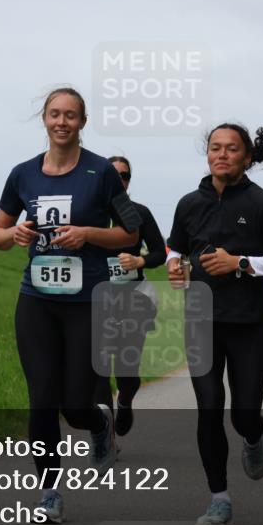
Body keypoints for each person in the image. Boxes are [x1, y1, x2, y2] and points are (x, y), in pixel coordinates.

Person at [0, 87, 141, 524]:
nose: (62, 122)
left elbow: (130, 234)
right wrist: (14, 234)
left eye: (70, 115)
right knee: (41, 402)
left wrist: (89, 234)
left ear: (82, 122)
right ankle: (50, 492)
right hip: (36, 302)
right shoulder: (23, 174)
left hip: (88, 303)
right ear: (44, 119)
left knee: (76, 404)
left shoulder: (101, 173)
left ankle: (97, 424)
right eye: (55, 114)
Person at [166, 120, 263, 525]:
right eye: (215, 147)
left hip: (248, 324)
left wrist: (240, 263)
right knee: (209, 410)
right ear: (207, 153)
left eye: (231, 148)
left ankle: (254, 435)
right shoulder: (190, 202)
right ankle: (219, 501)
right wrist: (175, 264)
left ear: (247, 157)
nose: (221, 154)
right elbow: (176, 245)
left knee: (243, 414)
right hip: (201, 320)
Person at [92, 156, 166, 438]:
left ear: (128, 181)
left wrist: (141, 261)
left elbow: (160, 252)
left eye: (124, 175)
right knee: (98, 365)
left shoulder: (139, 212)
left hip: (136, 296)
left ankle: (124, 399)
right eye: (113, 174)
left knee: (126, 367)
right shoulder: (88, 214)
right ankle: (105, 433)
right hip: (97, 299)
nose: (119, 179)